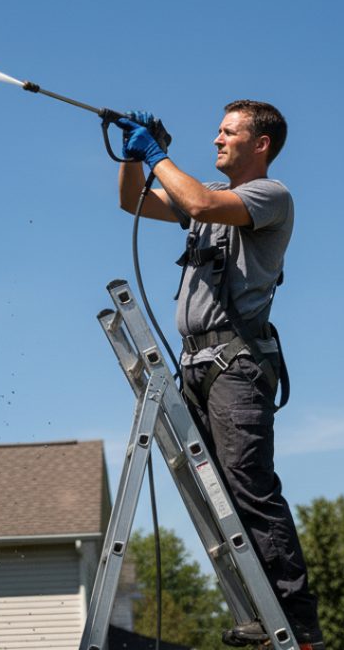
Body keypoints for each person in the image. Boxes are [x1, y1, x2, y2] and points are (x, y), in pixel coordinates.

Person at [117, 100, 324, 650]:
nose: (216, 139)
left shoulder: (270, 196)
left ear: (261, 144)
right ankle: (259, 611)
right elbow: (131, 203)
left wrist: (156, 153)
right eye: (218, 130)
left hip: (236, 365)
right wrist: (132, 156)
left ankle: (298, 627)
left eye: (229, 132)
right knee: (218, 498)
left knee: (250, 489)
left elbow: (200, 203)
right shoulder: (207, 195)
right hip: (196, 366)